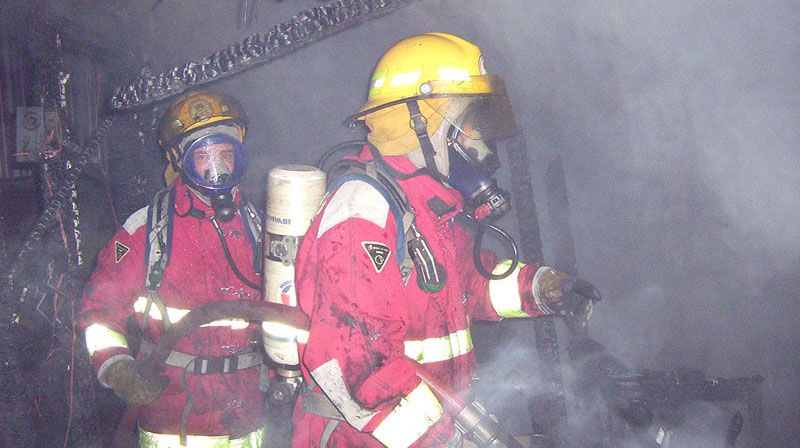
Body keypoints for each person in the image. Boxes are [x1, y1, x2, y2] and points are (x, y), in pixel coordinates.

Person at [290, 33, 602, 448]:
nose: (482, 144)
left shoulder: (425, 208)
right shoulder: (362, 213)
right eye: (472, 124)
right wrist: (443, 441)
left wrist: (542, 289)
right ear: (419, 122)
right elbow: (356, 364)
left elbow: (467, 284)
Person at [80, 91, 268, 447]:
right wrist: (117, 366)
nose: (218, 168)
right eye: (204, 157)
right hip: (173, 420)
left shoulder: (262, 227)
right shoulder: (147, 230)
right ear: (179, 160)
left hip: (247, 417)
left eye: (226, 155)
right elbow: (98, 312)